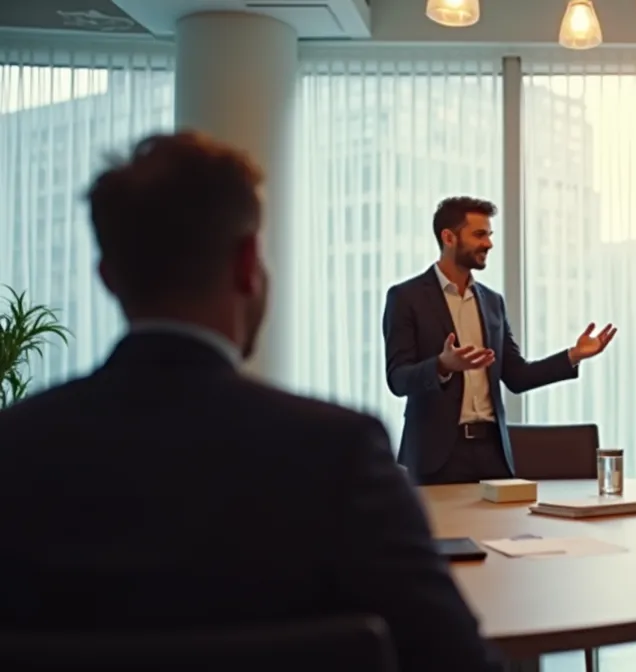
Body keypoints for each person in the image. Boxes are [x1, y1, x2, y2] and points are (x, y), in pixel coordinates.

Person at [0, 132, 499, 672]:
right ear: (246, 264)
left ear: (107, 277)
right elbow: (454, 657)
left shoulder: (16, 446)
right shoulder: (338, 451)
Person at [382, 196, 616, 484]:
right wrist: (442, 365)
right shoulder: (406, 298)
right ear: (449, 237)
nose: (489, 244)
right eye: (479, 235)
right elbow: (398, 379)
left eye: (489, 235)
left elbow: (517, 376)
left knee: (501, 530)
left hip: (493, 453)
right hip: (436, 456)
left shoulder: (493, 302)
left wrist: (573, 355)